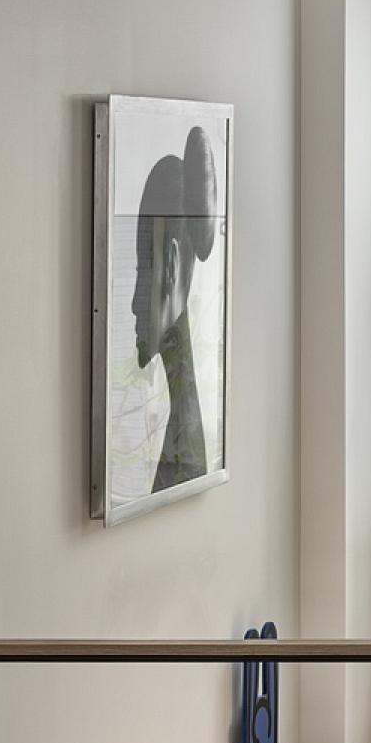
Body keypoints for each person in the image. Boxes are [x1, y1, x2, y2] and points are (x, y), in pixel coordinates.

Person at [132, 126, 217, 491]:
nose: (134, 305)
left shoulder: (183, 444)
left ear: (169, 266)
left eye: (141, 269)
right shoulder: (181, 422)